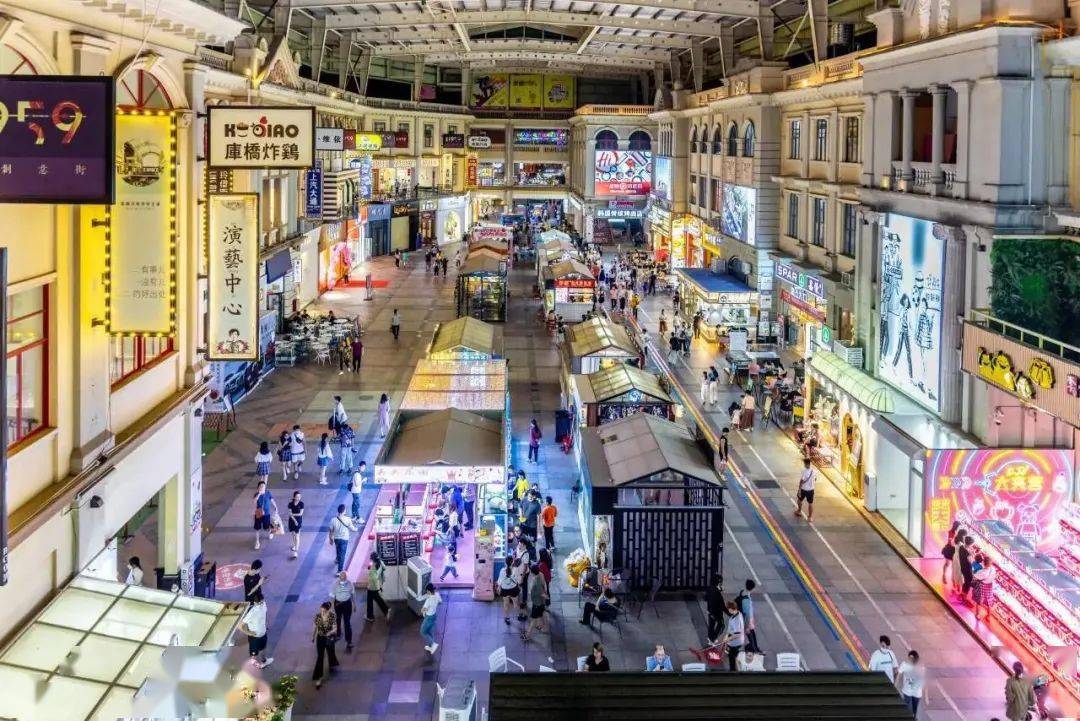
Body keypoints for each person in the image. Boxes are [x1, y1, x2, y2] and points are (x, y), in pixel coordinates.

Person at [239, 592, 273, 669]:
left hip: (263, 633)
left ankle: (264, 661)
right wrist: (249, 633)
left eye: (262, 601)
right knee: (254, 654)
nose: (261, 604)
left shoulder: (264, 604)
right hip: (255, 637)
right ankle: (255, 666)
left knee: (264, 648)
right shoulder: (252, 612)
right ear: (255, 603)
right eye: (259, 603)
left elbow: (263, 615)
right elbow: (240, 626)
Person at [311, 601, 339, 688]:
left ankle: (332, 664)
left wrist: (330, 633)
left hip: (329, 638)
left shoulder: (332, 615)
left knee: (331, 652)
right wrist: (313, 636)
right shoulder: (318, 616)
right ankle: (319, 677)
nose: (322, 612)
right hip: (320, 638)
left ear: (328, 610)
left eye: (324, 611)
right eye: (321, 610)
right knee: (320, 657)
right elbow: (314, 626)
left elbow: (335, 628)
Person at [329, 571, 357, 652]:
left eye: (344, 577)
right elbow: (332, 596)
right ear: (339, 577)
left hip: (347, 604)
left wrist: (354, 604)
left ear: (346, 577)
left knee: (347, 623)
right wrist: (330, 607)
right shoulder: (335, 585)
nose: (343, 578)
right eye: (341, 577)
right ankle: (338, 634)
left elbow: (352, 594)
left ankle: (349, 641)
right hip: (338, 604)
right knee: (338, 619)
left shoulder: (350, 584)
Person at [897, 650, 928, 716]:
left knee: (914, 710)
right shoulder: (904, 665)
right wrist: (894, 686)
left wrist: (926, 697)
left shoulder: (921, 668)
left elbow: (924, 682)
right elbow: (898, 675)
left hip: (917, 693)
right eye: (909, 658)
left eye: (911, 658)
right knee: (908, 708)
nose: (909, 659)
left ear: (915, 659)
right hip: (907, 691)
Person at [522, 563, 549, 641]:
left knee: (533, 620)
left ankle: (527, 636)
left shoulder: (536, 581)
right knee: (542, 614)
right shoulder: (541, 574)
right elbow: (544, 585)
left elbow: (541, 593)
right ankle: (544, 628)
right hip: (541, 602)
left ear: (532, 572)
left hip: (537, 603)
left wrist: (546, 597)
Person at [328, 504, 357, 574]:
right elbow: (352, 529)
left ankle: (337, 559)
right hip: (344, 539)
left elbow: (331, 530)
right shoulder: (347, 519)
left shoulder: (333, 520)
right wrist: (356, 529)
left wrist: (330, 539)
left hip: (336, 538)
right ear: (344, 511)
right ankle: (340, 570)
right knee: (342, 554)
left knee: (338, 550)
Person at [719, 600, 745, 671]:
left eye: (729, 609)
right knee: (733, 654)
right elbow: (731, 629)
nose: (728, 611)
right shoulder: (738, 614)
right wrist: (726, 636)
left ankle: (732, 670)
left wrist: (728, 639)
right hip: (734, 640)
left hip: (736, 642)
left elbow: (737, 634)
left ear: (732, 609)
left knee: (731, 657)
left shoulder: (736, 620)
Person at [365, 553, 390, 622]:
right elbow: (385, 568)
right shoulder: (380, 562)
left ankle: (370, 616)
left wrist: (375, 587)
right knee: (377, 598)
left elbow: (373, 577)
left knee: (371, 600)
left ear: (372, 559)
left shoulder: (373, 565)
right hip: (378, 583)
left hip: (373, 586)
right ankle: (385, 610)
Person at [736, 579, 759, 653]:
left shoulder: (743, 592)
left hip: (744, 619)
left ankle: (756, 649)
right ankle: (755, 650)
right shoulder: (746, 599)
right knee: (751, 636)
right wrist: (747, 626)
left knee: (752, 635)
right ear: (752, 588)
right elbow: (747, 614)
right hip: (746, 621)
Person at [253, 481, 278, 551]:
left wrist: (275, 506)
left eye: (263, 486)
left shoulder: (268, 493)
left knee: (266, 526)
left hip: (266, 513)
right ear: (258, 487)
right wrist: (259, 494)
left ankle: (270, 531)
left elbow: (272, 500)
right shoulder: (256, 494)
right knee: (257, 528)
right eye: (261, 486)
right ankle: (257, 542)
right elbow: (254, 502)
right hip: (258, 513)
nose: (262, 487)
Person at [419, 583, 442, 654]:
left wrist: (422, 610)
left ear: (428, 591)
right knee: (429, 630)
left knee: (423, 631)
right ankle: (430, 646)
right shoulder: (437, 594)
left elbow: (423, 610)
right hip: (434, 616)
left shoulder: (428, 600)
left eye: (426, 591)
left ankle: (433, 644)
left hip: (428, 617)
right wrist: (433, 606)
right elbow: (440, 602)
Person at [497, 557, 520, 625]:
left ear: (505, 562)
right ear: (512, 562)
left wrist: (499, 587)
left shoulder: (502, 570)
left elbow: (499, 581)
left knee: (506, 604)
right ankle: (518, 615)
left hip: (505, 589)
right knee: (516, 603)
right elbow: (518, 580)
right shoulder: (515, 569)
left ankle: (507, 618)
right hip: (513, 589)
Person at [705, 573, 725, 642]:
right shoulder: (718, 593)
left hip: (710, 611)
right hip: (716, 612)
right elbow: (722, 605)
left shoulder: (709, 588)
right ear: (718, 582)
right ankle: (713, 638)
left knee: (711, 625)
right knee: (721, 625)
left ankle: (710, 637)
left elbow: (706, 598)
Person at [794, 458, 815, 522]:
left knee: (799, 500)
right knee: (810, 503)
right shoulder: (814, 471)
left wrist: (799, 489)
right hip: (811, 489)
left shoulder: (805, 471)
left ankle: (799, 511)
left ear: (806, 464)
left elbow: (802, 481)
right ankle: (810, 517)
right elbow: (815, 479)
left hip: (804, 489)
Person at [287, 491, 304, 558]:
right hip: (292, 521)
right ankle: (294, 545)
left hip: (298, 521)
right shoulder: (290, 504)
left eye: (299, 497)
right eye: (297, 497)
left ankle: (296, 551)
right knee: (293, 534)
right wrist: (294, 520)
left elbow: (301, 513)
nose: (298, 498)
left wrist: (293, 515)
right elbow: (289, 514)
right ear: (294, 497)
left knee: (297, 536)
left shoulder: (301, 504)